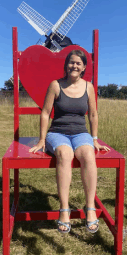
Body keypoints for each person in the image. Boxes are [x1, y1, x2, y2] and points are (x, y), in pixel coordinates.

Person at [29, 50, 110, 233]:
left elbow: (94, 114)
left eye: (78, 63)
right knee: (65, 154)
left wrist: (94, 139)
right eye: (71, 63)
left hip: (81, 133)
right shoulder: (56, 85)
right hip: (57, 133)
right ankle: (64, 210)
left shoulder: (88, 87)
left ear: (84, 68)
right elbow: (45, 113)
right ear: (66, 65)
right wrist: (42, 140)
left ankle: (90, 208)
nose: (74, 66)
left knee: (88, 154)